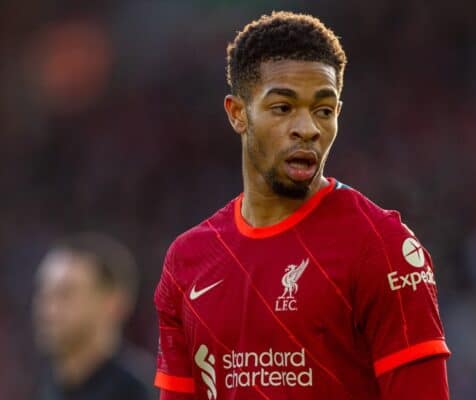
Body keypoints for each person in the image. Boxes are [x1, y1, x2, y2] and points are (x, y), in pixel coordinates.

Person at [154, 11, 450, 400]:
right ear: (238, 113)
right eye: (283, 108)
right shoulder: (188, 261)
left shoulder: (382, 247)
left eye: (323, 110)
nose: (308, 127)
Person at [33, 232, 152, 400]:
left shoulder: (139, 392)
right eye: (44, 293)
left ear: (113, 303)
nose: (47, 310)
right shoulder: (51, 385)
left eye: (65, 294)